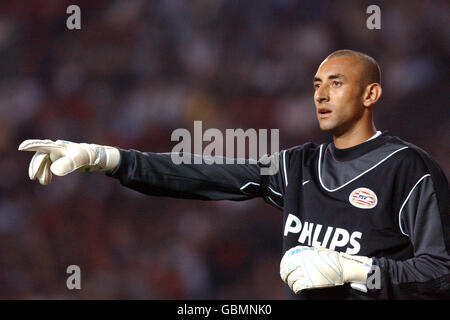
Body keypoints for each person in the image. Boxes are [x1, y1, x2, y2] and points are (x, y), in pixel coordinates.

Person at [19, 49, 449, 299]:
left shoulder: (408, 170)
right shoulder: (298, 166)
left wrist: (358, 272)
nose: (320, 93)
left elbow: (441, 273)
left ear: (371, 93)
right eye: (316, 83)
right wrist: (108, 158)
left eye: (335, 83)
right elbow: (205, 173)